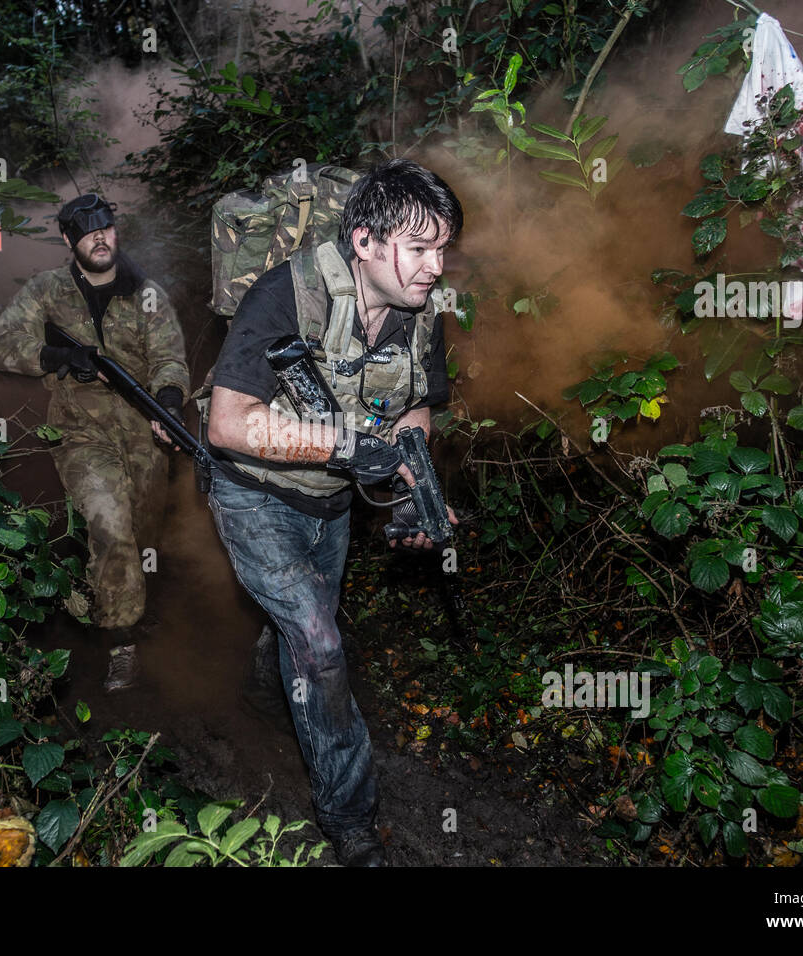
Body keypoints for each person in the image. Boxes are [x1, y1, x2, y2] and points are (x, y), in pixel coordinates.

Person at [205, 159, 462, 866]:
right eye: (420, 248)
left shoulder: (422, 316)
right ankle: (351, 822)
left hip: (332, 505)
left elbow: (415, 408)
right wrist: (349, 443)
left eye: (442, 249)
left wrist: (414, 485)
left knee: (301, 624)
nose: (435, 266)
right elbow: (227, 424)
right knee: (320, 642)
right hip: (253, 492)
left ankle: (267, 688)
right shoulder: (284, 294)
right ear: (366, 243)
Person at [0, 194, 190, 692]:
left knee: (143, 535)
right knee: (111, 526)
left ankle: (116, 594)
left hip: (145, 434)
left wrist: (166, 399)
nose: (100, 238)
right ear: (68, 239)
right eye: (86, 231)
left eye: (107, 228)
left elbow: (171, 359)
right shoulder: (47, 290)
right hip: (80, 433)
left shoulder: (146, 293)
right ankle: (123, 645)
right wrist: (54, 356)